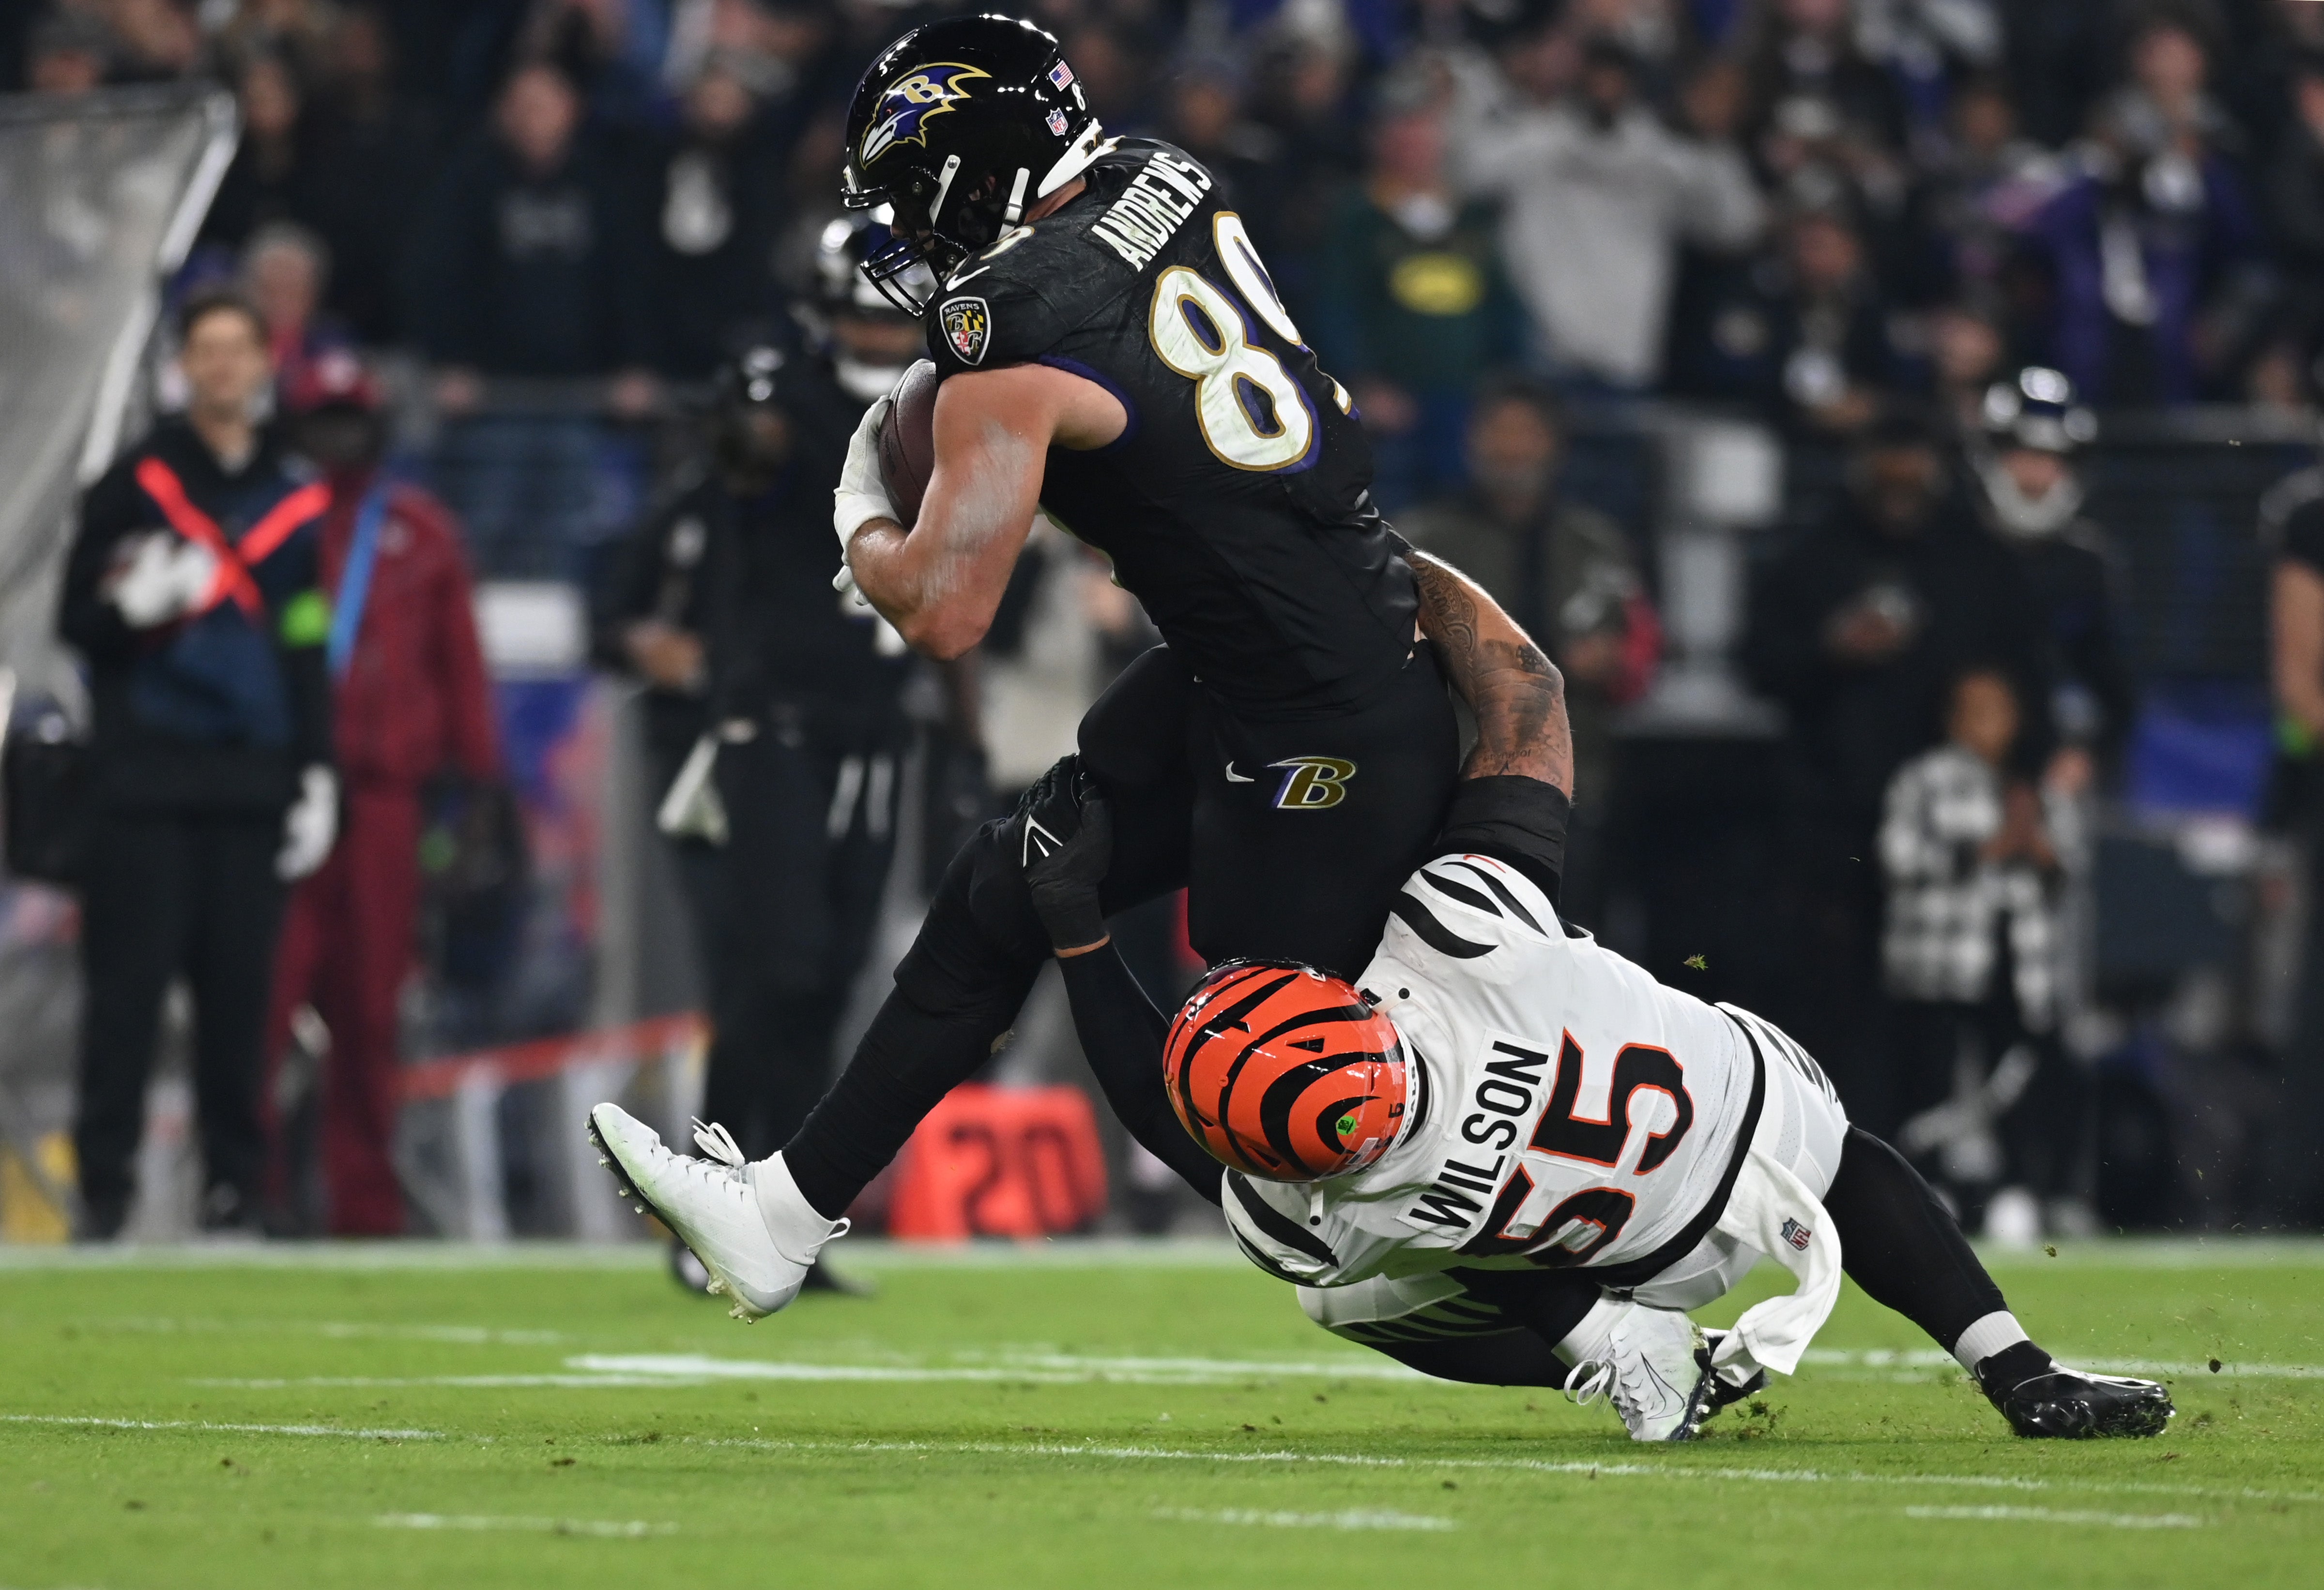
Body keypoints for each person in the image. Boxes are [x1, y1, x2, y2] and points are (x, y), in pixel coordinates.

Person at [589, 15, 1475, 1316]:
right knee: (1007, 879)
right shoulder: (1162, 177)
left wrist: (862, 514)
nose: (904, 226)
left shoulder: (1013, 326)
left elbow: (945, 610)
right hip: (1291, 639)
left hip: (1314, 710)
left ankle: (1589, 1316)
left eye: (913, 190)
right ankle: (781, 1213)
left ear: (979, 166)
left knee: (1274, 1107)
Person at [998, 578, 2170, 1445]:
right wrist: (1386, 568)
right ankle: (2012, 1366)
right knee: (1828, 1149)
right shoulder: (1454, 939)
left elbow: (1176, 1122)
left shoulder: (1323, 1200)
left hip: (1606, 1249)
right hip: (1740, 1122)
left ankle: (1610, 1353)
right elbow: (1527, 702)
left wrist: (1075, 929)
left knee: (1345, 1285)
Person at [56, 288, 338, 1238]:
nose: (222, 367)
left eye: (238, 350)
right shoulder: (133, 479)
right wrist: (129, 606)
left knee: (240, 1004)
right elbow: (75, 623)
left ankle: (234, 1189)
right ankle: (107, 1189)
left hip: (250, 783)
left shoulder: (296, 496)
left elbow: (304, 635)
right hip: (141, 782)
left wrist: (317, 766)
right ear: (184, 364)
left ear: (265, 364)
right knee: (126, 998)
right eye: (205, 350)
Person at [1743, 411, 2054, 1130]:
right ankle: (1835, 1156)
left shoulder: (1980, 560)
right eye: (1888, 456)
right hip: (1835, 827)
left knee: (1947, 1005)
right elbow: (1758, 662)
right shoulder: (1815, 555)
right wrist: (1831, 646)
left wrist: (2025, 786)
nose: (1902, 475)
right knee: (1835, 1005)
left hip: (1960, 832)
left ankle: (1959, 1171)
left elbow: (2029, 684)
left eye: (1914, 457)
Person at [260, 351, 501, 1237]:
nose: (335, 437)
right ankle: (250, 1190)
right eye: (321, 418)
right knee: (263, 1000)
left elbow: (460, 670)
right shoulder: (268, 524)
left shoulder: (420, 530)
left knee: (368, 1009)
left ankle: (363, 1203)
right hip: (280, 798)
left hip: (383, 801)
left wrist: (480, 789)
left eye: (348, 418)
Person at [1397, 380, 1655, 924]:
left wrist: (1611, 661)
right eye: (1499, 432)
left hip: (1575, 786)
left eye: (1526, 433)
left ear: (1555, 444)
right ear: (1472, 441)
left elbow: (1640, 657)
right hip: (1451, 789)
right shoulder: (1421, 543)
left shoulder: (1596, 543)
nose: (1512, 448)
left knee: (1571, 944)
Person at [1879, 667, 2078, 1242]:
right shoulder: (1924, 780)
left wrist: (2035, 845)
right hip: (1939, 963)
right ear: (1953, 718)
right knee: (1932, 1074)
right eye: (1976, 711)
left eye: (2001, 711)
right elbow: (1895, 857)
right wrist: (1982, 851)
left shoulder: (2032, 786)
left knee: (2015, 1072)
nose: (1990, 725)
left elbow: (2069, 869)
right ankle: (1930, 1184)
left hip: (2015, 961)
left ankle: (2016, 1187)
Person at [1452, 31, 1764, 393]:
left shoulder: (1659, 155)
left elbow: (1735, 227)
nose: (1606, 88)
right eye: (1597, 77)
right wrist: (1481, 89)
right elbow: (1466, 176)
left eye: (1616, 79)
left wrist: (1714, 143)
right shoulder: (1537, 140)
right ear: (1577, 80)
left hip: (1625, 353)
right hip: (1540, 349)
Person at [1309, 69, 1524, 511]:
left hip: (1465, 409)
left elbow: (1505, 306)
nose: (1414, 139)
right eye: (1402, 126)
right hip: (1391, 416)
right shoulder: (1358, 218)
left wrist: (1501, 387)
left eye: (1424, 126)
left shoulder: (1472, 219)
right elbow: (1335, 307)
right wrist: (1361, 383)